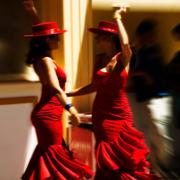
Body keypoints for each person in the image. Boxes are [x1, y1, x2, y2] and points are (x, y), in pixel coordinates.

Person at [66, 6, 159, 180]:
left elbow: (124, 43)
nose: (95, 39)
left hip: (119, 115)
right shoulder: (98, 59)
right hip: (100, 115)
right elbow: (93, 87)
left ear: (109, 37)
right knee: (106, 160)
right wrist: (68, 93)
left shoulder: (124, 58)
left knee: (121, 159)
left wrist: (117, 17)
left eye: (98, 36)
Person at [21, 1, 94, 179]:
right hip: (48, 115)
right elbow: (55, 87)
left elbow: (40, 31)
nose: (59, 39)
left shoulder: (44, 56)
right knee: (55, 158)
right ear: (48, 40)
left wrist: (32, 12)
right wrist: (72, 109)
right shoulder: (46, 60)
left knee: (50, 157)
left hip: (49, 113)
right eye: (56, 37)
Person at [129, 18, 169, 169]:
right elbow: (127, 71)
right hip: (148, 97)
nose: (153, 35)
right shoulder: (137, 53)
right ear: (142, 35)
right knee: (157, 131)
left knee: (157, 132)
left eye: (154, 32)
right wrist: (143, 74)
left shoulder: (156, 49)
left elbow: (162, 68)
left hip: (163, 94)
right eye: (150, 33)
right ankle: (160, 165)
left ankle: (157, 165)